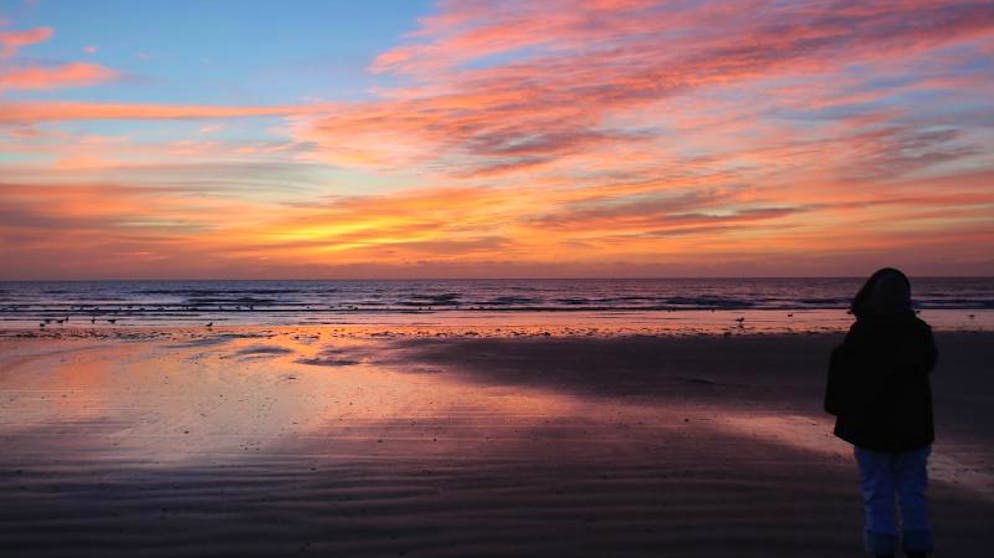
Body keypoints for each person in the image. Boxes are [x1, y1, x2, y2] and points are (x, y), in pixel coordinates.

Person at [824, 268, 938, 558]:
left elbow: (843, 376)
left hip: (871, 426)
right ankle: (917, 545)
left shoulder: (864, 332)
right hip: (913, 425)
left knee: (877, 490)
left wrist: (838, 406)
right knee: (913, 489)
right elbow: (928, 364)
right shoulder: (919, 331)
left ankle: (882, 547)